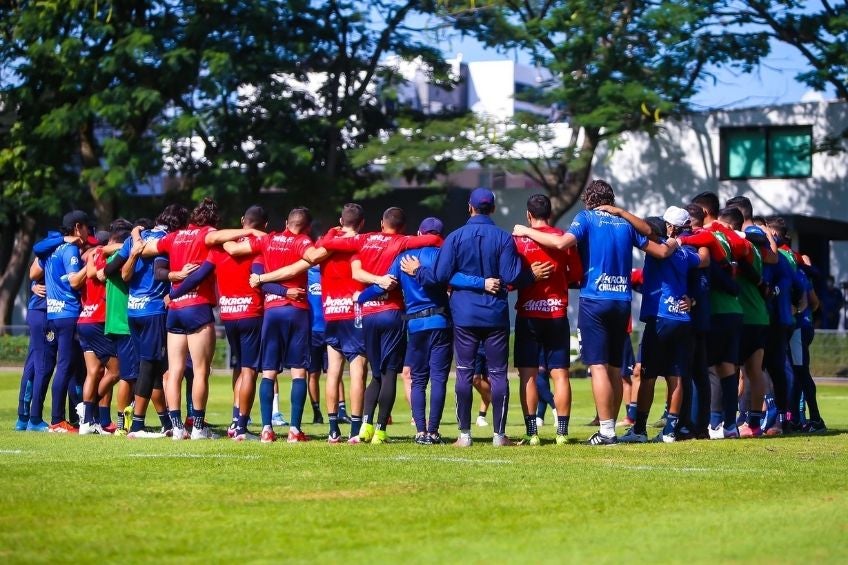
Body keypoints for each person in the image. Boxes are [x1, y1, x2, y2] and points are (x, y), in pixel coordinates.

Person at [515, 180, 678, 445]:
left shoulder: (586, 218)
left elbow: (561, 244)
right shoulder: (625, 222)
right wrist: (674, 242)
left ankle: (606, 431)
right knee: (614, 367)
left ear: (588, 199)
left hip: (595, 299)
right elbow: (659, 249)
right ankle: (610, 428)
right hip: (622, 301)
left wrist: (526, 230)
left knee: (598, 365)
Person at [405, 188, 544, 447]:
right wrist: (531, 275)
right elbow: (513, 277)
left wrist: (419, 271)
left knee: (465, 373)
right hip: (495, 314)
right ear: (492, 208)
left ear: (470, 207)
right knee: (499, 374)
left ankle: (464, 435)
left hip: (464, 315)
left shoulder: (455, 237)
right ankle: (499, 435)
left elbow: (439, 276)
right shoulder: (504, 238)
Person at [142, 198, 260, 439]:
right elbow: (219, 237)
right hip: (197, 307)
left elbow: (147, 249)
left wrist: (138, 239)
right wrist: (249, 230)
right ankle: (197, 427)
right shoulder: (206, 234)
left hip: (174, 310)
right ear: (213, 221)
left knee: (173, 371)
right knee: (200, 371)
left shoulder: (176, 237)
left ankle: (176, 428)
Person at [320, 207, 440, 444]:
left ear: (381, 223)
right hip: (391, 313)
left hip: (368, 315)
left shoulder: (363, 239)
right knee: (388, 375)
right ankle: (381, 431)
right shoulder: (401, 242)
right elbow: (434, 239)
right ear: (403, 227)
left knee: (374, 374)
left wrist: (334, 231)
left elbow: (329, 244)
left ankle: (364, 426)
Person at [174, 205, 269, 441]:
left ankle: (235, 421)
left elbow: (198, 275)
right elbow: (257, 277)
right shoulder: (259, 248)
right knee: (249, 371)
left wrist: (174, 294)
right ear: (264, 226)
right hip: (250, 314)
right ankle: (241, 427)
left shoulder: (217, 250)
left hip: (228, 316)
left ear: (241, 220)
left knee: (239, 367)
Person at [357, 217, 451, 444]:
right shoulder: (442, 255)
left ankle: (420, 431)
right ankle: (434, 431)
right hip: (440, 322)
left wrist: (362, 297)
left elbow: (385, 284)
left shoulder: (403, 258)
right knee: (438, 379)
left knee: (418, 380)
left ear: (419, 232)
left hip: (415, 325)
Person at [617, 209, 705, 443]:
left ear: (671, 227)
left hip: (661, 318)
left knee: (647, 376)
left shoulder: (661, 248)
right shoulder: (687, 253)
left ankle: (639, 430)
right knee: (675, 376)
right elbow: (705, 258)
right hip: (682, 320)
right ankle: (670, 432)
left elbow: (645, 233)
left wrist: (619, 212)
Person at [109, 206, 187, 438]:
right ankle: (138, 425)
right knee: (149, 366)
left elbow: (116, 272)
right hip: (154, 311)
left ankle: (166, 423)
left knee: (153, 367)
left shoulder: (138, 239)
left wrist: (134, 239)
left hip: (133, 311)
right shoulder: (168, 240)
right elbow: (163, 272)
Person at [41, 211, 90, 432]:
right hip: (68, 314)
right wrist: (90, 267)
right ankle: (57, 420)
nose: (88, 231)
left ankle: (62, 419)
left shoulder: (51, 248)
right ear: (77, 227)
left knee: (65, 366)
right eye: (86, 226)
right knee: (65, 366)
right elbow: (73, 281)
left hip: (53, 313)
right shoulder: (70, 249)